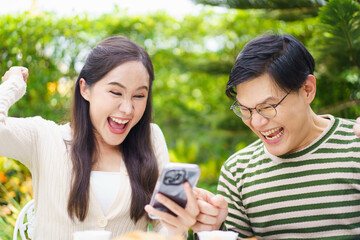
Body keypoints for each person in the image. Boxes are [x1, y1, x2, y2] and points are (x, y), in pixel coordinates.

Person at [0, 36, 199, 239]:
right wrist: (14, 84)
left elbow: (163, 227)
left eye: (139, 96)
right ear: (85, 89)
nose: (128, 109)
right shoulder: (43, 137)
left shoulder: (151, 137)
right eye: (115, 92)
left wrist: (178, 227)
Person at [195, 34, 360, 239]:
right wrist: (213, 229)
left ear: (307, 90)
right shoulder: (238, 171)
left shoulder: (356, 147)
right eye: (245, 110)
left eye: (267, 107)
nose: (256, 122)